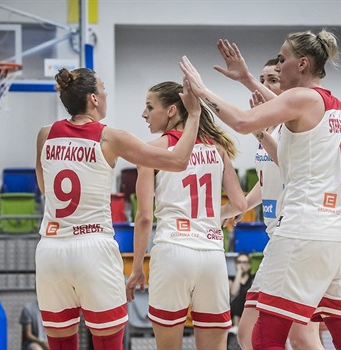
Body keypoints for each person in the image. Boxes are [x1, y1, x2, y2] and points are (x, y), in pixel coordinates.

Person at [181, 29, 341, 350]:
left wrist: (201, 92)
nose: (279, 67)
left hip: (302, 230)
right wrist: (246, 80)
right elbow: (281, 131)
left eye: (282, 59)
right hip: (337, 234)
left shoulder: (302, 99)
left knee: (264, 336)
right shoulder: (333, 105)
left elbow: (242, 122)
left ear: (303, 64)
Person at [34, 68, 201, 350]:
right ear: (94, 99)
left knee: (61, 344)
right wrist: (194, 114)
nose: (106, 93)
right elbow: (180, 161)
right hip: (93, 248)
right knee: (108, 343)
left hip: (51, 249)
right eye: (103, 88)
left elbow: (43, 187)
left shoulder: (45, 134)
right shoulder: (110, 137)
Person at [215, 44, 324, 350]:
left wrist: (259, 131)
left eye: (272, 80)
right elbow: (267, 186)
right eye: (262, 80)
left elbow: (288, 163)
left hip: (300, 237)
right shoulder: (269, 129)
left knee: (303, 335)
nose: (265, 87)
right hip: (278, 238)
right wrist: (233, 209)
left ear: (288, 86)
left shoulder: (294, 130)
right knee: (248, 333)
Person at [125, 81, 246, 350]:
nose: (144, 114)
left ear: (171, 111)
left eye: (149, 107)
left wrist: (136, 269)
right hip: (212, 255)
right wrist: (214, 215)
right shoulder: (218, 148)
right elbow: (239, 202)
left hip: (173, 250)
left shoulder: (150, 150)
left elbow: (144, 217)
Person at [230, 253, 254, 326]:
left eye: (244, 262)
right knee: (237, 297)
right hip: (234, 312)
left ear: (249, 265)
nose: (241, 265)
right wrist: (239, 272)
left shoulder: (253, 279)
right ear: (235, 264)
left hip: (248, 312)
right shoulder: (231, 280)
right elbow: (233, 292)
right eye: (239, 262)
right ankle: (236, 325)